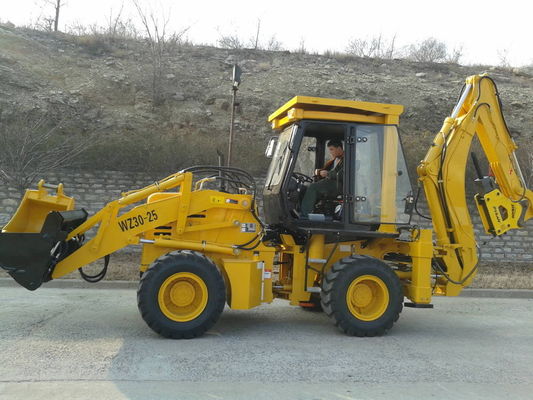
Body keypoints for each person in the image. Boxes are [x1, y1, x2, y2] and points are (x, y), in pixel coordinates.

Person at [300, 140, 344, 217]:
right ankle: (314, 211)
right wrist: (320, 172)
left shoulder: (348, 159)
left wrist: (328, 173)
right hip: (332, 183)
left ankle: (305, 215)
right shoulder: (335, 160)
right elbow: (329, 170)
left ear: (339, 148)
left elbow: (344, 174)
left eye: (331, 149)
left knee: (313, 187)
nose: (330, 152)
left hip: (339, 185)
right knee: (304, 188)